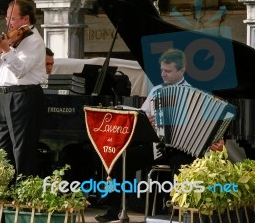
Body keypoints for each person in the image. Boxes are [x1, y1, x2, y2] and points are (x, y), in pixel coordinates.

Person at [95, 49, 224, 222]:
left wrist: (215, 141)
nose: (163, 74)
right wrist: (147, 122)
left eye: (168, 71)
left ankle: (179, 214)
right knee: (120, 159)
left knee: (181, 165)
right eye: (162, 70)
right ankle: (113, 211)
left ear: (181, 71)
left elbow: (207, 127)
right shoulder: (156, 91)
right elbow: (141, 118)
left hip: (182, 149)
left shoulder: (195, 95)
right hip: (158, 146)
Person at [0, 0, 46, 178]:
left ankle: (23, 191)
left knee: (22, 147)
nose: (8, 23)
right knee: (2, 146)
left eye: (13, 18)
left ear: (25, 19)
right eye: (7, 18)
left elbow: (20, 70)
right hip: (4, 97)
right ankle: (5, 190)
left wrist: (6, 51)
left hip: (23, 96)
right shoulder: (11, 38)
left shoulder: (33, 41)